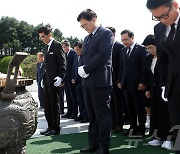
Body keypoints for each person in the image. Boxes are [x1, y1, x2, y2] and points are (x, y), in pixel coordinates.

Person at [77, 9, 114, 154]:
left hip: (100, 81)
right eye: (82, 26)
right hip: (88, 81)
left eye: (85, 24)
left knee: (102, 116)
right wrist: (83, 69)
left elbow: (103, 55)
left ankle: (103, 147)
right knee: (92, 115)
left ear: (94, 19)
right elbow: (87, 57)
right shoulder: (87, 38)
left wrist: (86, 68)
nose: (84, 27)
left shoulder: (106, 33)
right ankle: (93, 144)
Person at [146, 0, 180, 153]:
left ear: (175, 5)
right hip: (172, 85)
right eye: (157, 17)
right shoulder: (159, 28)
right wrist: (164, 84)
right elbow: (163, 58)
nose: (162, 20)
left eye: (164, 15)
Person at [142, 34, 172, 150]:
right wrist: (148, 89)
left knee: (165, 115)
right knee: (155, 115)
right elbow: (150, 76)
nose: (149, 50)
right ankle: (158, 137)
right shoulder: (149, 58)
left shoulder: (165, 57)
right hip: (154, 91)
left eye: (150, 47)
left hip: (165, 91)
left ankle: (168, 139)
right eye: (147, 48)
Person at [117, 29, 148, 137]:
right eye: (122, 40)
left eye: (126, 39)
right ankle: (133, 127)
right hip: (125, 84)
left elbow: (145, 67)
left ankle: (142, 128)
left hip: (138, 84)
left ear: (132, 38)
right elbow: (122, 67)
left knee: (139, 107)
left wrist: (143, 82)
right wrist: (120, 80)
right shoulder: (122, 51)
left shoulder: (141, 49)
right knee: (129, 107)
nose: (124, 42)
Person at [38, 26, 66, 136]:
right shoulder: (46, 47)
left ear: (49, 34)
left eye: (43, 36)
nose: (42, 39)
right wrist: (43, 78)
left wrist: (60, 77)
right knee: (47, 105)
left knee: (55, 105)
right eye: (40, 37)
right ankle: (50, 126)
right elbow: (46, 65)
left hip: (54, 81)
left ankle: (56, 128)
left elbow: (63, 63)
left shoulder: (57, 45)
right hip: (47, 80)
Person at [106, 26, 125, 133]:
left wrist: (119, 80)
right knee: (111, 103)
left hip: (117, 80)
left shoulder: (119, 46)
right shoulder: (106, 46)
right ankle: (112, 123)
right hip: (108, 80)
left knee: (118, 103)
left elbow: (122, 65)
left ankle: (119, 124)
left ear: (113, 34)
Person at [61, 40, 78, 119]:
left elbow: (74, 66)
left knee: (73, 96)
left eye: (64, 47)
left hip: (71, 79)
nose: (63, 49)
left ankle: (74, 112)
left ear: (68, 46)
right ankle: (69, 111)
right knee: (68, 96)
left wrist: (73, 77)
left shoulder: (73, 53)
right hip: (66, 79)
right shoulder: (65, 54)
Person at [72, 42, 88, 123]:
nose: (77, 52)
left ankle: (86, 116)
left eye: (78, 50)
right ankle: (81, 114)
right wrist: (73, 78)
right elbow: (74, 68)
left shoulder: (85, 56)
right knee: (80, 99)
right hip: (77, 81)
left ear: (81, 48)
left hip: (84, 80)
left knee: (85, 100)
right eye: (75, 50)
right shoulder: (75, 56)